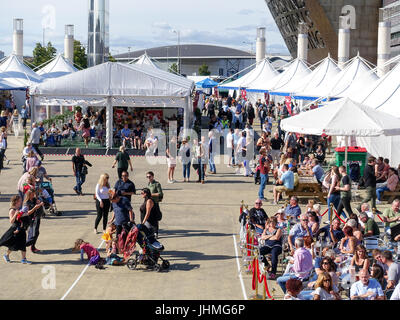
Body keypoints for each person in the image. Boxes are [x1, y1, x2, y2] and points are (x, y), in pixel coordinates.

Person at [0, 195, 33, 264]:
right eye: (20, 200)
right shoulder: (12, 210)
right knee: (13, 245)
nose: (21, 202)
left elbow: (24, 214)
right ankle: (6, 255)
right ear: (16, 201)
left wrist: (31, 210)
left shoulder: (19, 208)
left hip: (21, 229)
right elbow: (11, 221)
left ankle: (23, 259)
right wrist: (15, 214)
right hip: (15, 230)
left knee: (23, 244)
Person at [24, 189, 45, 253]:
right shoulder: (27, 203)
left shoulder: (34, 199)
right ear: (29, 195)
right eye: (32, 194)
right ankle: (23, 245)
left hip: (37, 218)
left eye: (34, 194)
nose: (34, 195)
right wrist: (34, 208)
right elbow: (27, 213)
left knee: (36, 233)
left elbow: (39, 203)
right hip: (31, 220)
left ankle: (32, 247)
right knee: (34, 234)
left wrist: (40, 203)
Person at [147, 171, 163, 237]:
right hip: (149, 203)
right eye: (147, 177)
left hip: (155, 203)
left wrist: (151, 194)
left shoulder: (157, 184)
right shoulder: (148, 184)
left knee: (155, 218)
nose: (148, 178)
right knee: (149, 217)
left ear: (153, 176)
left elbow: (160, 193)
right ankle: (151, 231)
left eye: (149, 176)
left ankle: (156, 232)